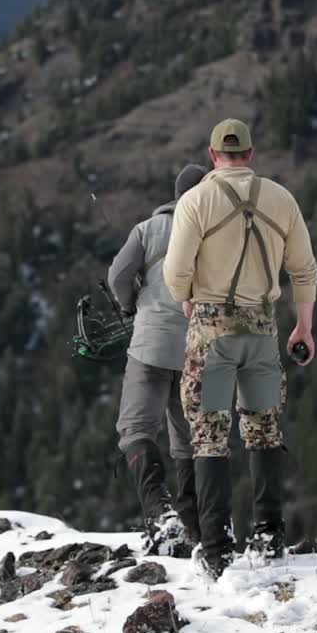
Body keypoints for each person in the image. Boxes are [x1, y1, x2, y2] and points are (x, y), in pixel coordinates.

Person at [164, 118, 317, 579]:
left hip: (212, 333)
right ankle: (269, 533)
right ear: (250, 155)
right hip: (261, 332)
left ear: (213, 156)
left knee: (210, 433)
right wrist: (303, 328)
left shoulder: (196, 201)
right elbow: (305, 270)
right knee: (264, 429)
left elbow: (175, 273)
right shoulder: (280, 198)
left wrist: (189, 298)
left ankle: (216, 545)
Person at [106, 164, 209, 556]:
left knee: (136, 428)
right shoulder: (217, 235)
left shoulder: (148, 230)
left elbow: (118, 275)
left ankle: (160, 514)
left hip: (149, 345)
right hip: (197, 350)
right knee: (190, 441)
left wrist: (132, 305)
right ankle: (195, 525)